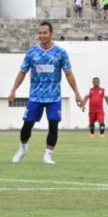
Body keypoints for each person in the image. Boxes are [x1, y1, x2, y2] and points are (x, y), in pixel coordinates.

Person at [8, 21, 84, 165]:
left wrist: (77, 94)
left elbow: (68, 74)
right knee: (27, 125)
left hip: (54, 96)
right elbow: (23, 72)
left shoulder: (60, 53)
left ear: (51, 34)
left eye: (45, 33)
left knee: (53, 124)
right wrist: (13, 89)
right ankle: (23, 148)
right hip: (35, 96)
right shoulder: (31, 53)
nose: (42, 36)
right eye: (40, 33)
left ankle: (48, 155)